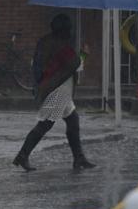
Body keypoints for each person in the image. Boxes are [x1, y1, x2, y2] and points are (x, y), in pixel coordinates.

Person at [13, 14, 95, 171]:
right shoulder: (62, 46)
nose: (70, 31)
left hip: (51, 87)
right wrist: (84, 54)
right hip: (58, 90)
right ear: (64, 30)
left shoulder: (45, 41)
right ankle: (22, 155)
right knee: (45, 124)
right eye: (69, 28)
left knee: (73, 121)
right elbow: (75, 65)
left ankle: (79, 158)